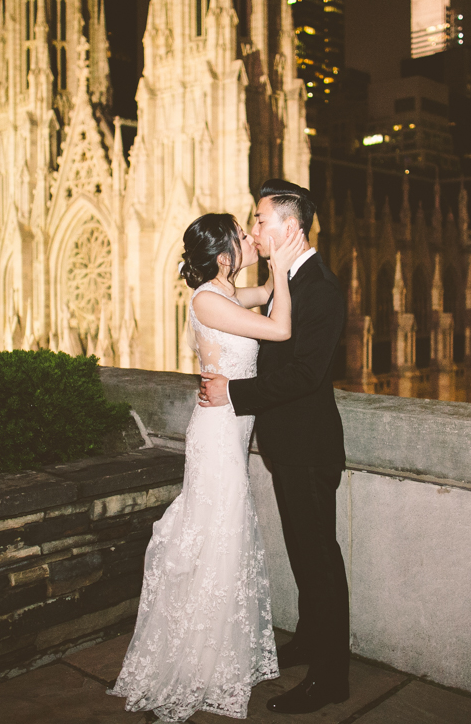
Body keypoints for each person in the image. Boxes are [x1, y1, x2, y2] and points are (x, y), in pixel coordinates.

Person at [107, 211, 308, 721]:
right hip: (218, 435)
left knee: (224, 534)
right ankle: (200, 661)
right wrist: (281, 268)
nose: (249, 237)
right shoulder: (206, 300)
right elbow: (280, 327)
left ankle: (216, 653)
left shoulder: (222, 294)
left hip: (228, 429)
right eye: (243, 236)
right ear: (223, 257)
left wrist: (278, 258)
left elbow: (262, 295)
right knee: (219, 534)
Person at [198, 178, 351, 715]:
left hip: (309, 447)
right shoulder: (288, 279)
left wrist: (233, 394)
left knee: (320, 559)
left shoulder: (322, 287)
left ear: (290, 227)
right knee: (303, 554)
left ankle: (332, 677)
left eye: (260, 221)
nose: (255, 229)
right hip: (287, 446)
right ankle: (311, 640)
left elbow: (307, 374)